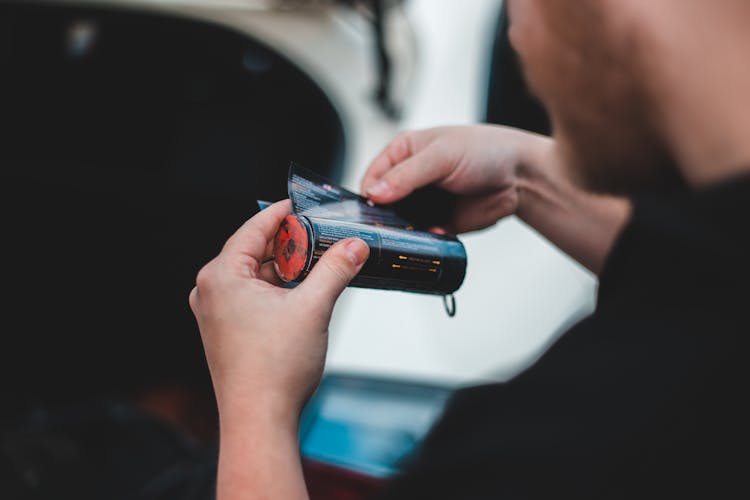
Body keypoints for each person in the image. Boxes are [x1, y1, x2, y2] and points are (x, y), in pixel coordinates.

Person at [188, 0, 750, 498]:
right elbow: (709, 268)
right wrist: (522, 177)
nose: (515, 36)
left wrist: (254, 406)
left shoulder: (560, 449)